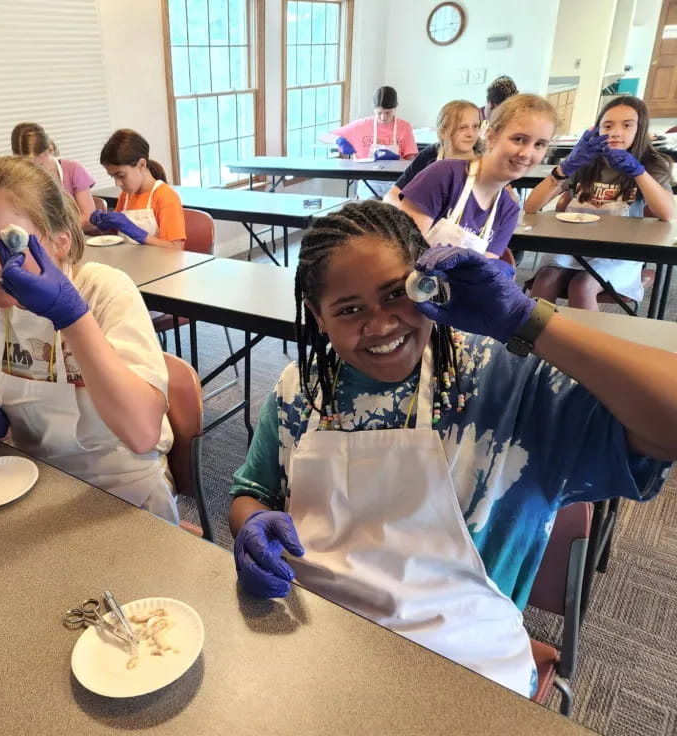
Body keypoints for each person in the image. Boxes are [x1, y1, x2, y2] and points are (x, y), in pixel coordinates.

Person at [229, 199, 675, 697]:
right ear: (317, 314)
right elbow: (253, 491)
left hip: (462, 660)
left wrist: (529, 323)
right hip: (321, 633)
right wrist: (249, 521)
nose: (380, 326)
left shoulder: (508, 383)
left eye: (397, 295)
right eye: (350, 310)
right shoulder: (302, 389)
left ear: (427, 284)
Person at [0, 156, 178, 523]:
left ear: (59, 241)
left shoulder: (105, 290)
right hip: (29, 477)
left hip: (122, 485)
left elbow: (141, 434)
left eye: (10, 240)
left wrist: (72, 317)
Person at [525, 96, 673, 309]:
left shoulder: (653, 164)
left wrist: (639, 172)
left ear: (640, 130)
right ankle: (531, 341)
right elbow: (531, 207)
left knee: (582, 284)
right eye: (608, 125)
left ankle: (585, 342)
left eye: (627, 125)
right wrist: (565, 168)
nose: (616, 132)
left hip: (621, 252)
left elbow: (667, 214)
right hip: (575, 246)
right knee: (546, 278)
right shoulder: (585, 162)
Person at [400, 94, 556, 258]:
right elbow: (402, 255)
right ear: (490, 136)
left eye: (539, 144)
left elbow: (484, 272)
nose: (526, 153)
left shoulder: (507, 211)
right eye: (519, 139)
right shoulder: (442, 176)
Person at [89, 129, 186, 250]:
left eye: (121, 175)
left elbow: (176, 249)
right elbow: (118, 236)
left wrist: (138, 234)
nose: (117, 183)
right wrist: (105, 226)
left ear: (142, 165)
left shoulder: (165, 197)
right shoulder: (125, 196)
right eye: (112, 176)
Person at [383, 99, 482, 207]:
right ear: (443, 132)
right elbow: (392, 195)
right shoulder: (430, 155)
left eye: (475, 126)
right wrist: (406, 214)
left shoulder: (485, 161)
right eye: (463, 128)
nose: (471, 134)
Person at [11, 122, 98, 229]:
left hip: (75, 238)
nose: (32, 171)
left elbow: (89, 218)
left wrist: (54, 230)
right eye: (25, 165)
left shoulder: (73, 170)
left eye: (39, 165)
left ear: (50, 150)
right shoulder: (15, 179)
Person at [330, 86, 419, 162]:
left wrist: (398, 160)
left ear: (395, 107)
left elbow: (410, 162)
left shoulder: (404, 127)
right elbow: (324, 135)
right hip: (365, 178)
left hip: (395, 179)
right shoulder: (361, 125)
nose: (383, 117)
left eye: (388, 113)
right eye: (379, 113)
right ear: (373, 108)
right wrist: (338, 140)